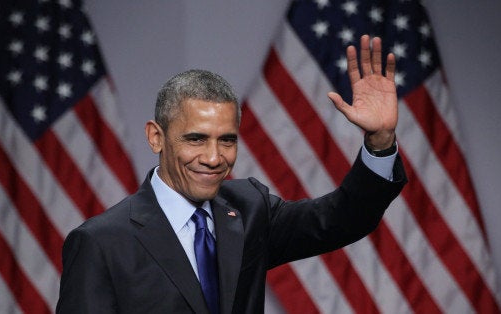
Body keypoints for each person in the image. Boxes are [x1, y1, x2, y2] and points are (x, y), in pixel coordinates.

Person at [56, 35, 406, 314]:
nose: (213, 157)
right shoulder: (101, 243)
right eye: (196, 139)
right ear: (156, 137)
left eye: (227, 140)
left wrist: (380, 140)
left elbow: (341, 218)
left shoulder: (249, 209)